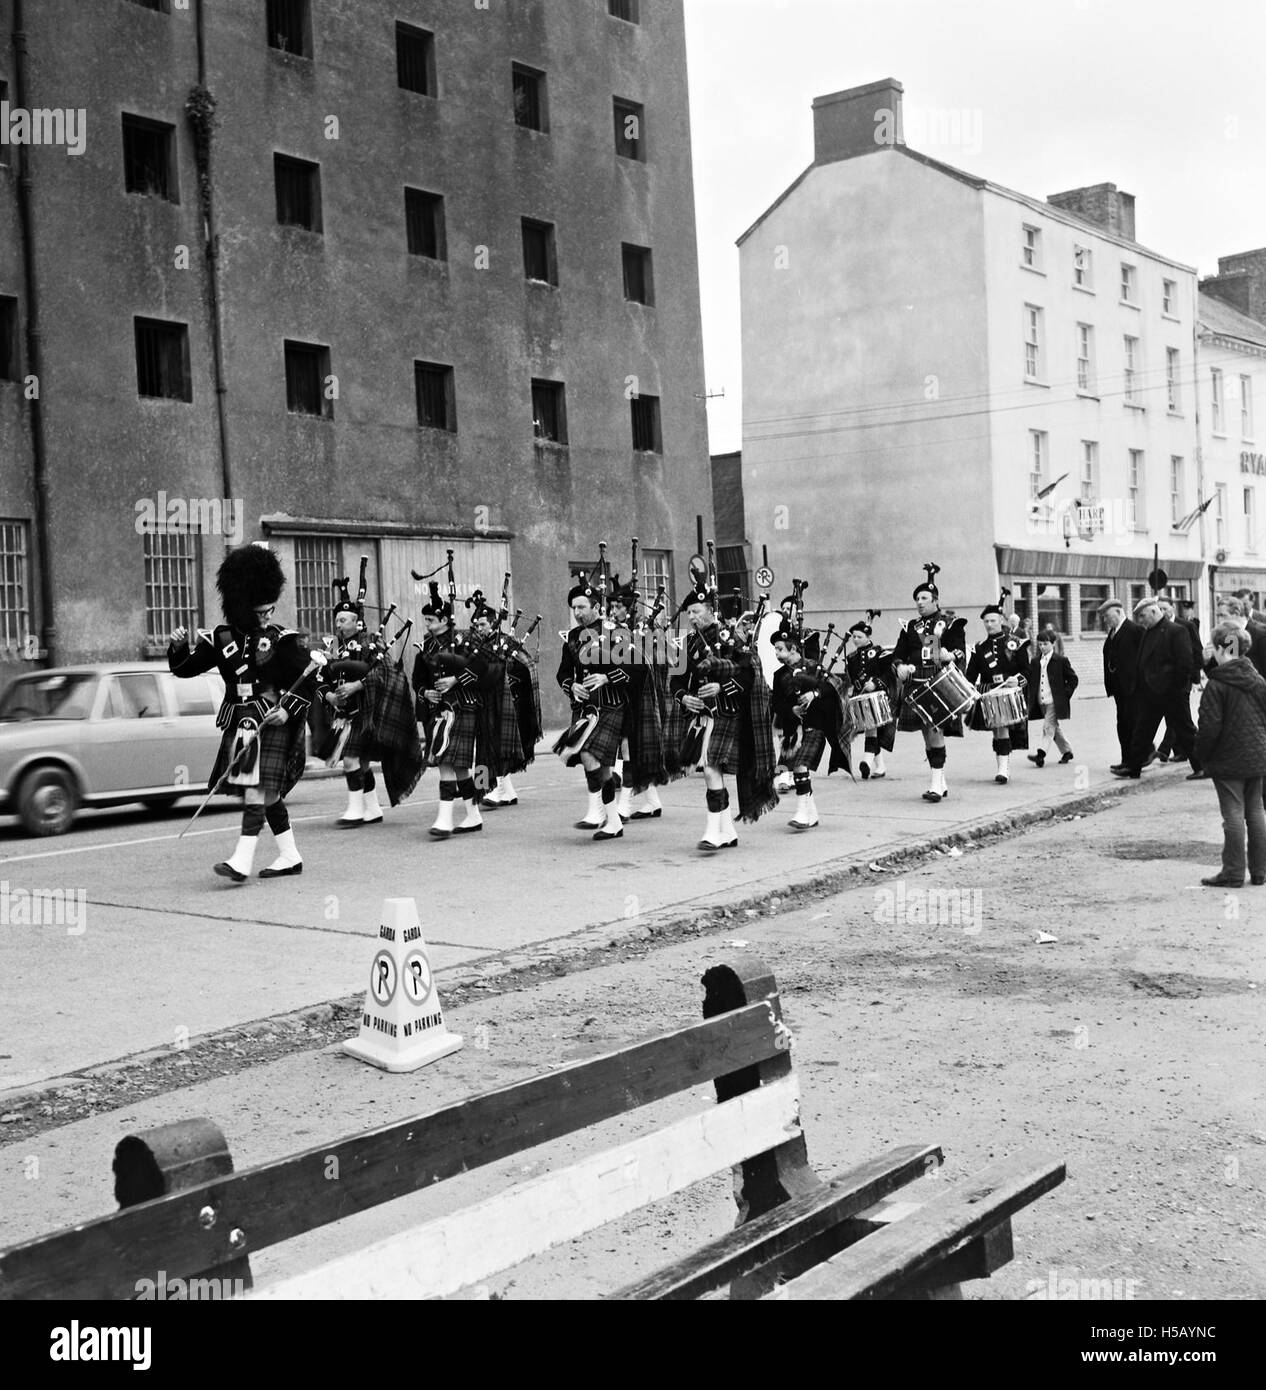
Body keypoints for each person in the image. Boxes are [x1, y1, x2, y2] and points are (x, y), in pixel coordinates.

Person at [168, 545, 316, 882]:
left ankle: (241, 860)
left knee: (255, 788)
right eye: (260, 611)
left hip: (270, 719)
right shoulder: (220, 640)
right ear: (241, 606)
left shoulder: (281, 640)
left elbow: (309, 681)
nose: (266, 617)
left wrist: (288, 711)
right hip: (239, 720)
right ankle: (290, 855)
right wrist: (177, 647)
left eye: (270, 610)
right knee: (268, 794)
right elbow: (186, 668)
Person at [668, 584, 777, 850]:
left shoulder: (729, 637)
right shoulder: (689, 643)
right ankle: (726, 830)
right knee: (709, 768)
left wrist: (722, 687)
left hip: (727, 712)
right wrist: (684, 697)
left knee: (711, 767)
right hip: (702, 715)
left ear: (710, 610)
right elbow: (676, 680)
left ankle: (712, 831)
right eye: (689, 613)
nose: (692, 617)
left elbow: (749, 672)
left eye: (696, 611)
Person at [554, 578, 637, 841]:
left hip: (611, 704)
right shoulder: (573, 638)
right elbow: (563, 673)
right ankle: (610, 819)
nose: (577, 613)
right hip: (584, 706)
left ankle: (601, 811)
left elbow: (637, 669)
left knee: (589, 754)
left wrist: (607, 677)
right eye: (574, 608)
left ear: (595, 607)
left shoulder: (616, 631)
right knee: (596, 765)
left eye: (581, 607)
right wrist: (572, 687)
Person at [412, 582, 496, 838]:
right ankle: (473, 816)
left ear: (445, 619)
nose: (427, 624)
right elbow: (418, 680)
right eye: (425, 620)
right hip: (439, 709)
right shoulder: (427, 646)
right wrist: (426, 692)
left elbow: (484, 664)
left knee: (446, 761)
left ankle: (445, 819)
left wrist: (456, 680)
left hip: (463, 706)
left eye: (431, 620)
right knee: (458, 766)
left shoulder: (465, 639)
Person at [1194, 623, 1266, 888]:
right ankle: (1260, 871)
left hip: (1228, 758)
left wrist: (1202, 754)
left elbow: (1209, 727)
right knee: (1256, 810)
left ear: (1223, 648)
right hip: (1257, 756)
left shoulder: (1217, 684)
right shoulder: (1258, 679)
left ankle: (1234, 872)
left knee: (1233, 814)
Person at [892, 565, 968, 803]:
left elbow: (959, 649)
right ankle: (940, 780)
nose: (919, 602)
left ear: (936, 600)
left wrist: (950, 655)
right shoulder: (909, 628)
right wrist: (900, 667)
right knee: (927, 733)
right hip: (915, 683)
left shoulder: (950, 623)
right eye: (917, 599)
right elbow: (898, 655)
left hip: (938, 681)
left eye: (924, 598)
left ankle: (935, 783)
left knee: (935, 730)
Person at [1115, 596, 1204, 780]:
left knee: (1185, 730)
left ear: (1154, 612)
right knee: (1142, 731)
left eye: (1142, 616)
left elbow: (1185, 663)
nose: (1140, 621)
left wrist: (1176, 689)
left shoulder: (1176, 631)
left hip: (1171, 694)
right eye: (1138, 617)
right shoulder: (1148, 632)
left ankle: (1201, 766)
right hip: (1150, 694)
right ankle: (1133, 768)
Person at [965, 604, 1030, 784]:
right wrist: (970, 691)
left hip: (1009, 691)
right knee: (996, 730)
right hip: (989, 692)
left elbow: (1027, 670)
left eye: (993, 620)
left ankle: (1003, 769)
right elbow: (971, 675)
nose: (989, 624)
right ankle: (1002, 766)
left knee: (1001, 728)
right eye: (986, 621)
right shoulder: (979, 647)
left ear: (1001, 620)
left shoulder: (1015, 643)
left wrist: (1018, 680)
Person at [844, 614, 895, 780]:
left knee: (871, 728)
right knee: (869, 727)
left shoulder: (880, 652)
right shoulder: (851, 658)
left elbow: (889, 673)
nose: (856, 639)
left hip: (879, 695)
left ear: (868, 637)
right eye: (854, 637)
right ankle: (880, 766)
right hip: (861, 696)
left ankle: (866, 760)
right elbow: (851, 678)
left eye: (859, 637)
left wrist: (876, 683)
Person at [1099, 598, 1146, 772]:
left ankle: (1136, 761)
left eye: (1108, 616)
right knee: (1123, 725)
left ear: (1119, 612)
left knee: (1132, 724)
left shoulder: (1135, 630)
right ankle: (1126, 759)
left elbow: (1145, 657)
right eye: (1104, 617)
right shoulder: (1113, 633)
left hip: (1133, 687)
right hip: (1119, 688)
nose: (1106, 620)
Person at [1026, 629, 1078, 766]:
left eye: (1045, 644)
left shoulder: (1061, 660)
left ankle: (1040, 754)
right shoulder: (1035, 662)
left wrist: (1064, 695)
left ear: (1053, 644)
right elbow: (1031, 680)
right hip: (1041, 700)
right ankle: (1067, 751)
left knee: (1048, 727)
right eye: (1040, 644)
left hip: (1054, 701)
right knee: (1054, 727)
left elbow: (1073, 679)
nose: (1042, 647)